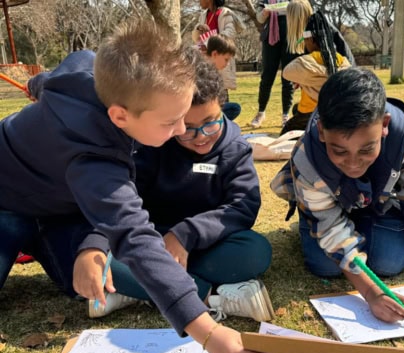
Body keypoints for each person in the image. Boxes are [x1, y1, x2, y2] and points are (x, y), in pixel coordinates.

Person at [0, 19, 277, 353]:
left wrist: (39, 85)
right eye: (172, 122)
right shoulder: (97, 160)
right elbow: (134, 237)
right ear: (120, 116)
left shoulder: (91, 68)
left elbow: (60, 73)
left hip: (63, 209)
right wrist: (208, 334)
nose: (182, 131)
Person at [271, 68, 404, 323]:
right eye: (339, 151)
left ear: (384, 125)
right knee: (325, 265)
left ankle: (362, 228)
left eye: (367, 149)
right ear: (321, 131)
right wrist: (371, 292)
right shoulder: (307, 158)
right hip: (326, 210)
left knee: (389, 263)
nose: (353, 163)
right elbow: (330, 229)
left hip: (377, 204)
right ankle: (310, 226)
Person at [92, 58, 275, 324]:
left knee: (255, 251)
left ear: (222, 107)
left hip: (207, 245)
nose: (201, 136)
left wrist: (185, 235)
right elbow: (127, 200)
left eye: (211, 123)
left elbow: (242, 208)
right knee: (102, 265)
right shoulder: (153, 144)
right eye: (187, 128)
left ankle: (145, 290)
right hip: (152, 245)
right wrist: (157, 244)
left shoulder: (236, 149)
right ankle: (210, 297)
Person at [281, 10, 351, 135]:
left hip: (311, 112)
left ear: (311, 40)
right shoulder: (342, 59)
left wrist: (310, 78)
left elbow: (287, 72)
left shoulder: (306, 61)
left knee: (286, 133)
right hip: (337, 110)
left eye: (305, 40)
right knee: (295, 108)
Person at [250, 0, 312, 129]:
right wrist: (265, 12)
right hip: (270, 38)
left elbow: (302, 10)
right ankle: (260, 112)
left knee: (288, 77)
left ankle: (285, 115)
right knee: (267, 76)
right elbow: (259, 19)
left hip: (291, 35)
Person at [192, 0, 244, 94]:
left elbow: (230, 34)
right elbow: (196, 38)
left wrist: (211, 38)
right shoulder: (203, 16)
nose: (199, 1)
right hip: (206, 61)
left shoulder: (225, 13)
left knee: (221, 93)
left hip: (220, 60)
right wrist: (198, 28)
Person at [205, 34, 241, 121]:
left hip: (212, 108)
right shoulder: (203, 72)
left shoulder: (215, 73)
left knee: (234, 108)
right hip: (203, 111)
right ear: (215, 54)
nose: (227, 63)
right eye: (226, 59)